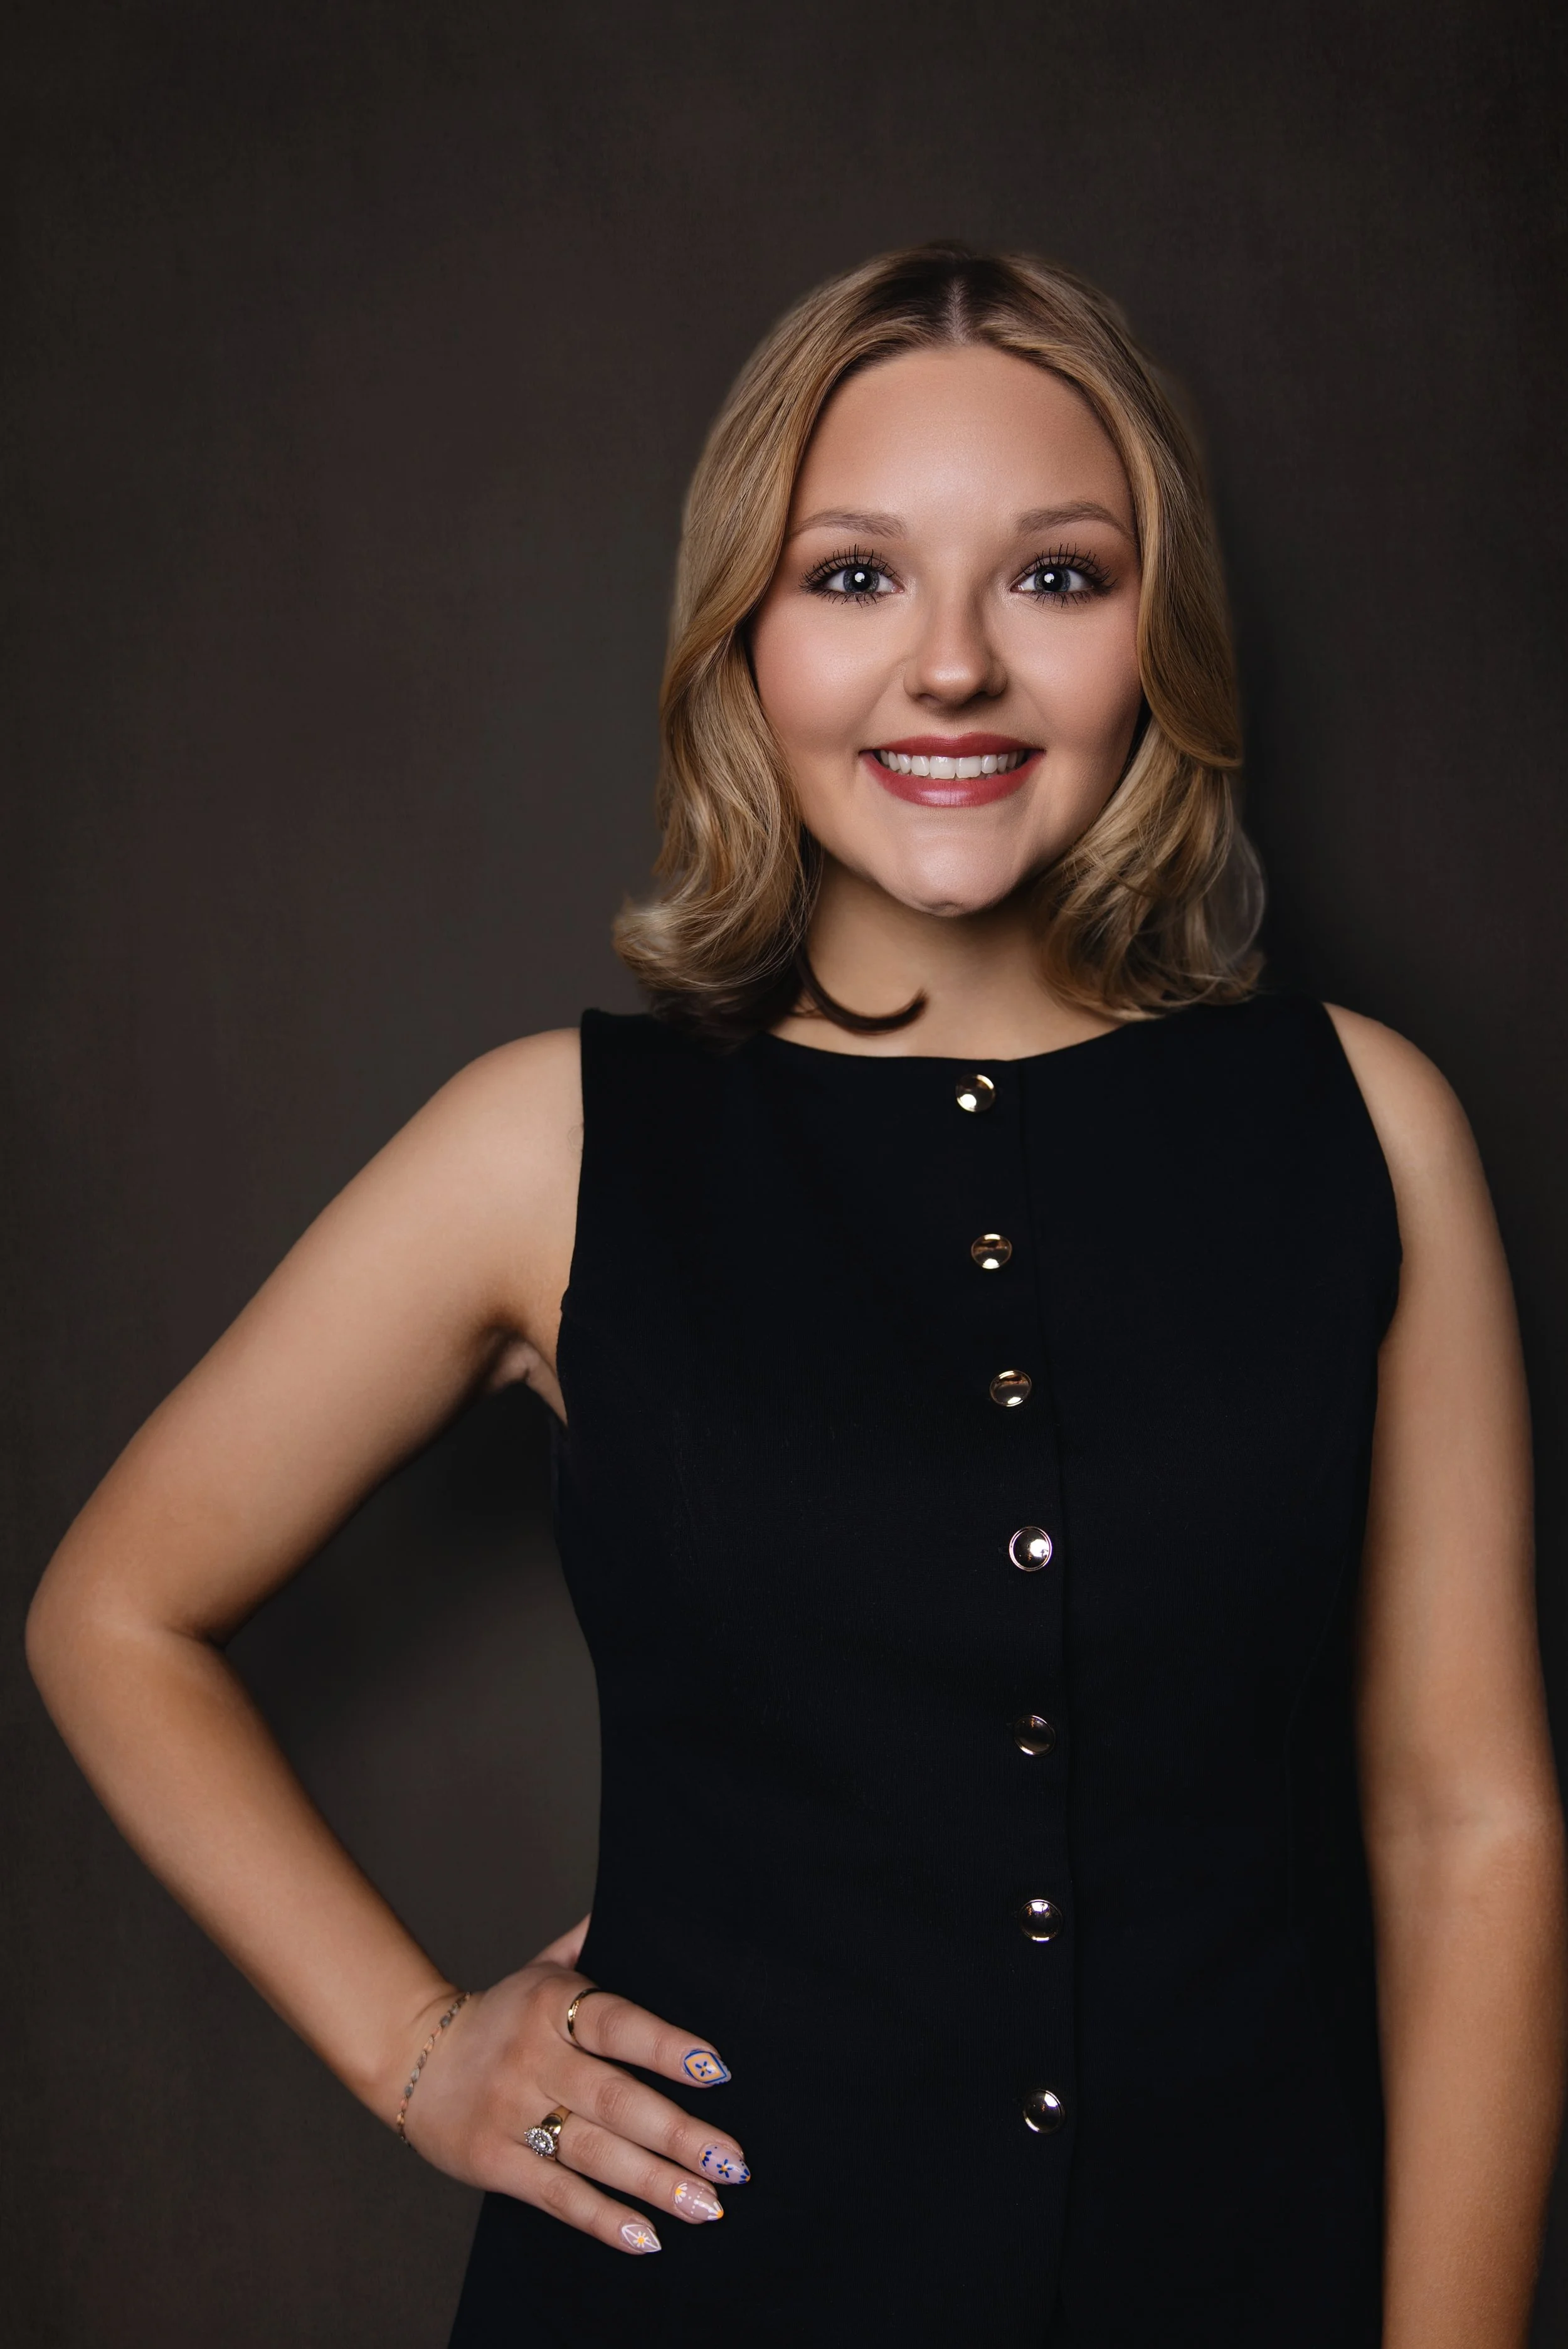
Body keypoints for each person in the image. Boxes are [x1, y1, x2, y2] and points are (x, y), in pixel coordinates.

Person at [26, 245, 1567, 2347]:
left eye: (1053, 575)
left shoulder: (1363, 1129)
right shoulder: (548, 1145)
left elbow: (1461, 1819)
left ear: (1156, 636)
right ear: (742, 637)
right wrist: (419, 2052)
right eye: (854, 577)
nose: (950, 666)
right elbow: (114, 1612)